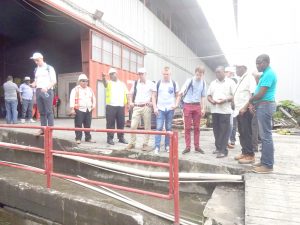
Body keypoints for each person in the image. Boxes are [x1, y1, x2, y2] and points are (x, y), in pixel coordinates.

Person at [249, 54, 277, 173]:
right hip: (263, 105)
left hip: (265, 106)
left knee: (266, 137)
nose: (257, 65)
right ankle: (264, 161)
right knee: (264, 136)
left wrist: (251, 100)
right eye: (256, 63)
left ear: (266, 62)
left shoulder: (269, 74)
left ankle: (268, 165)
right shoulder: (265, 74)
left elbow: (260, 94)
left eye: (259, 62)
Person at [207, 66, 236, 158]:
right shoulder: (213, 83)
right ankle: (218, 148)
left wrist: (224, 100)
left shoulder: (230, 82)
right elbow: (209, 95)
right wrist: (211, 101)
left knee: (224, 131)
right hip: (215, 110)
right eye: (216, 72)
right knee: (216, 130)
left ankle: (223, 151)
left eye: (219, 72)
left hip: (225, 111)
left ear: (224, 72)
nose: (217, 74)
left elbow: (234, 96)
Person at [177, 66, 206, 155]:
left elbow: (203, 96)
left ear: (203, 74)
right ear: (195, 72)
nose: (199, 76)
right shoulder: (189, 80)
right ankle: (188, 147)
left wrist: (203, 108)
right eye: (197, 74)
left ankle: (197, 147)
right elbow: (183, 89)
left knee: (197, 128)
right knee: (187, 128)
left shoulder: (203, 83)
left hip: (197, 106)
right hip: (188, 105)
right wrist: (181, 92)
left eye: (201, 74)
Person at [232, 63, 257, 164]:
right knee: (242, 133)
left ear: (243, 68)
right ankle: (244, 152)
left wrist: (245, 107)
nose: (236, 70)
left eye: (237, 68)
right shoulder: (241, 79)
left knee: (247, 133)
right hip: (238, 111)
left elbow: (252, 94)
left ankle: (250, 155)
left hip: (245, 111)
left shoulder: (249, 78)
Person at [127, 68, 155, 150]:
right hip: (137, 107)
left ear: (145, 74)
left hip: (146, 107)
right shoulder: (135, 83)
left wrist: (152, 103)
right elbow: (130, 94)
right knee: (133, 126)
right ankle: (132, 143)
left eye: (142, 74)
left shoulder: (150, 83)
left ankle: (145, 144)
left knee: (147, 127)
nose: (141, 75)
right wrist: (130, 102)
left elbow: (154, 94)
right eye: (139, 74)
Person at [152, 66, 179, 154]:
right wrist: (155, 107)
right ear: (162, 74)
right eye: (164, 74)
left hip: (170, 109)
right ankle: (157, 147)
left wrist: (176, 104)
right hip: (160, 109)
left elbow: (178, 95)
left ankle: (167, 146)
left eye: (167, 74)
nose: (165, 75)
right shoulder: (158, 83)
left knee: (168, 128)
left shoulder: (174, 83)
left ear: (170, 74)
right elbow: (154, 96)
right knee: (159, 128)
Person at [30, 52, 56, 135]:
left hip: (47, 91)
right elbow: (36, 80)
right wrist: (33, 84)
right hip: (38, 91)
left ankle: (50, 129)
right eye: (35, 61)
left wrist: (47, 87)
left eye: (37, 60)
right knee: (41, 111)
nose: (36, 62)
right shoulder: (36, 69)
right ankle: (43, 129)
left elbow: (54, 81)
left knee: (49, 111)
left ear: (42, 58)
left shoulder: (49, 68)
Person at [103, 68, 129, 145]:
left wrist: (128, 103)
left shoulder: (122, 84)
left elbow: (127, 94)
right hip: (111, 106)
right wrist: (103, 78)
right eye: (110, 74)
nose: (112, 75)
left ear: (116, 74)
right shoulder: (109, 83)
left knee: (121, 123)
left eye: (113, 73)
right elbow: (105, 84)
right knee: (110, 123)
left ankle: (121, 138)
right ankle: (110, 138)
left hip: (120, 106)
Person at [69, 74, 96, 144]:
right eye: (83, 81)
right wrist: (72, 109)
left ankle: (88, 138)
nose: (85, 83)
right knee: (78, 125)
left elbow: (94, 98)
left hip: (88, 109)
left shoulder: (90, 89)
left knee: (88, 125)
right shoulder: (75, 89)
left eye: (86, 81)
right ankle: (78, 138)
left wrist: (93, 105)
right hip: (79, 109)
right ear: (79, 81)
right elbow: (72, 99)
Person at [225, 66, 238, 149]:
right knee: (225, 125)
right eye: (229, 72)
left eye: (231, 73)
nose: (230, 74)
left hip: (232, 107)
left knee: (232, 124)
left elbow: (235, 94)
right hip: (224, 106)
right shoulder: (222, 81)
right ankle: (224, 141)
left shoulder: (234, 81)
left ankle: (230, 140)